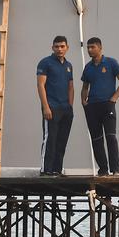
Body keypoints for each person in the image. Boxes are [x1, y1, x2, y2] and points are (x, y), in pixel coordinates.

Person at [78, 37, 119, 176]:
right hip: (92, 106)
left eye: (92, 47)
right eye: (88, 47)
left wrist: (113, 99)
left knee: (111, 137)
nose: (89, 50)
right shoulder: (88, 67)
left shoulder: (111, 63)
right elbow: (85, 86)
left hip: (108, 105)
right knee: (96, 139)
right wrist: (83, 101)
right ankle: (103, 169)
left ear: (100, 48)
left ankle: (116, 170)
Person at [36, 35, 74, 176]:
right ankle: (46, 170)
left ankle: (57, 170)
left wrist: (70, 106)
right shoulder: (45, 63)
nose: (59, 49)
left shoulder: (68, 66)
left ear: (67, 48)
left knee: (61, 140)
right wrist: (46, 107)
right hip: (51, 107)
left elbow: (71, 87)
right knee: (50, 139)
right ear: (52, 47)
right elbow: (40, 85)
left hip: (66, 109)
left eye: (62, 46)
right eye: (57, 46)